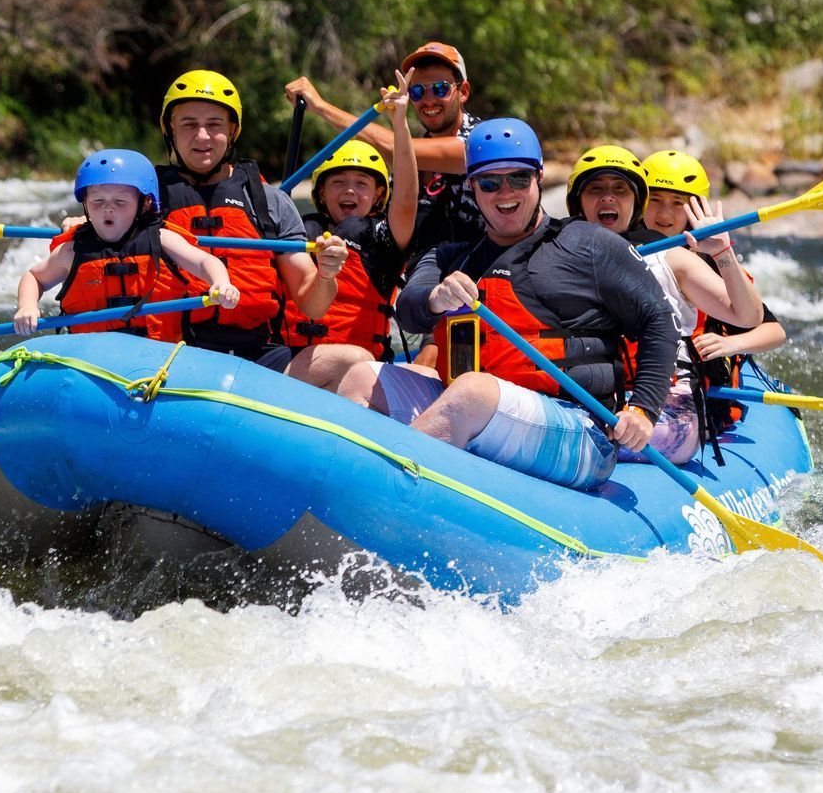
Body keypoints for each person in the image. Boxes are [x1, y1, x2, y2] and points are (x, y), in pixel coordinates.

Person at [335, 119, 679, 491]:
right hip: (480, 407)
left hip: (581, 430)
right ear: (472, 187)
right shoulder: (451, 256)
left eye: (518, 179)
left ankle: (377, 494)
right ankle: (344, 492)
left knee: (471, 392)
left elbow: (659, 319)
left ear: (539, 179)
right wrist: (436, 299)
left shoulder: (589, 244)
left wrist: (644, 408)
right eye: (490, 183)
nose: (505, 192)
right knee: (361, 378)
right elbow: (409, 311)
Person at [155, 69, 347, 370]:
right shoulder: (145, 199)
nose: (202, 136)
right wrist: (79, 227)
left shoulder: (269, 201)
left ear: (232, 131)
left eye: (214, 124)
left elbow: (313, 305)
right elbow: (103, 223)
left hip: (257, 357)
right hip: (174, 356)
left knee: (353, 361)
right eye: (189, 124)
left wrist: (325, 274)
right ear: (171, 130)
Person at [638, 149, 786, 464]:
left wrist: (731, 342)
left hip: (701, 394)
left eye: (678, 203)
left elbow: (773, 330)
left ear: (695, 208)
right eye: (655, 199)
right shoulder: (626, 250)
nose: (665, 213)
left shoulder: (711, 265)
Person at [284, 41, 483, 264]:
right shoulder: (412, 153)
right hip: (418, 276)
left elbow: (395, 150)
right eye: (417, 92)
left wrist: (321, 107)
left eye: (440, 89)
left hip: (473, 273)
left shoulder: (479, 142)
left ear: (463, 92)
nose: (428, 100)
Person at [284, 72, 419, 388]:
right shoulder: (296, 229)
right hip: (301, 367)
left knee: (356, 362)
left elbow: (408, 197)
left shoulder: (383, 238)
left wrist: (399, 124)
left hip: (359, 373)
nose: (349, 191)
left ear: (377, 195)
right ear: (320, 193)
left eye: (361, 184)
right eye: (338, 183)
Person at [12, 149, 240, 336]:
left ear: (145, 204)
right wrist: (27, 306)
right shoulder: (72, 250)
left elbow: (204, 262)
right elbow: (34, 277)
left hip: (158, 356)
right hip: (92, 359)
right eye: (98, 201)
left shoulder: (162, 239)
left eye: (120, 202)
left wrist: (221, 283)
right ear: (85, 205)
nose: (107, 209)